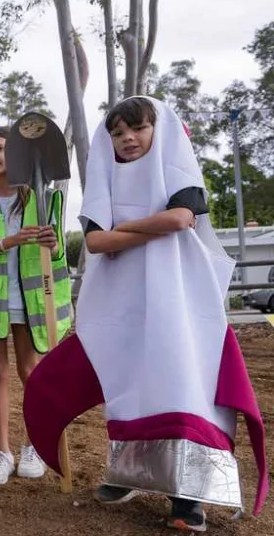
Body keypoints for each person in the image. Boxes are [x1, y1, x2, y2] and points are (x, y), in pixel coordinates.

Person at [23, 97, 267, 532]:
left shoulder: (176, 171)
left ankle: (187, 497)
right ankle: (128, 473)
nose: (128, 139)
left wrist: (124, 229)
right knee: (130, 385)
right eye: (117, 133)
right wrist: (143, 227)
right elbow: (96, 243)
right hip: (126, 303)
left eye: (138, 129)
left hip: (179, 301)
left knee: (181, 385)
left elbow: (180, 218)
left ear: (159, 132)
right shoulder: (108, 180)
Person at [0, 126, 71, 486]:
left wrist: (51, 244)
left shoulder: (42, 197)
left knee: (30, 372)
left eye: (0, 149)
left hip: (30, 299)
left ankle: (34, 446)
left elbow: (57, 250)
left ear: (16, 154)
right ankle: (1, 451)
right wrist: (8, 241)